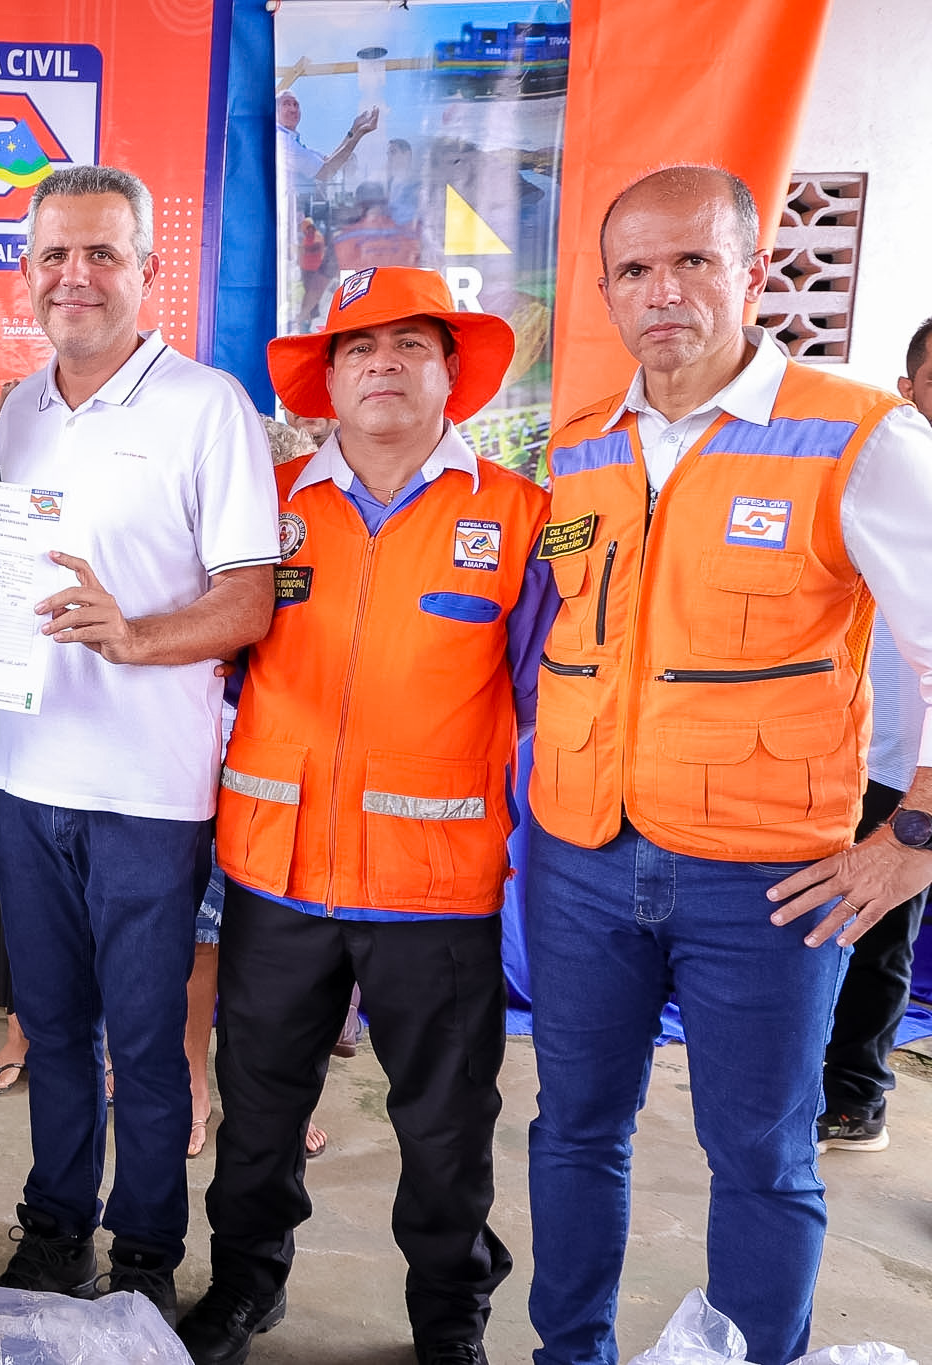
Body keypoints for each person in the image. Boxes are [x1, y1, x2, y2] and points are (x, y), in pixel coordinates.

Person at [524, 166, 932, 1365]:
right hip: (583, 857)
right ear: (604, 292)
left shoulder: (858, 433)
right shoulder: (581, 446)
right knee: (571, 1132)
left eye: (693, 261)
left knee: (758, 1153)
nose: (664, 292)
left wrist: (911, 838)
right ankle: (568, 1353)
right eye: (636, 269)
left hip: (764, 878)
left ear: (753, 271)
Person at [177, 266, 549, 1365]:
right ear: (325, 380)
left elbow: (539, 693)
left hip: (434, 886)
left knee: (443, 1130)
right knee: (255, 1113)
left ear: (449, 372)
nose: (382, 362)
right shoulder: (267, 501)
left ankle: (448, 1319)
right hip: (274, 871)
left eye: (410, 344)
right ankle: (245, 1284)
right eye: (355, 347)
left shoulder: (517, 515)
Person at [0, 165, 281, 1320]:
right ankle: (55, 1229)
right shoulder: (15, 411)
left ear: (147, 272)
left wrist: (134, 635)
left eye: (102, 253)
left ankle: (147, 1251)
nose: (76, 276)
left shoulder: (207, 406)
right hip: (21, 775)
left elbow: (246, 601)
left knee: (146, 1044)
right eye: (54, 254)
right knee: (52, 1032)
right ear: (25, 275)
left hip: (149, 793)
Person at [814, 317, 932, 1153]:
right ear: (909, 392)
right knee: (833, 930)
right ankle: (816, 1085)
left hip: (916, 773)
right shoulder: (874, 480)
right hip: (850, 756)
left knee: (883, 937)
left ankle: (857, 1096)